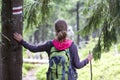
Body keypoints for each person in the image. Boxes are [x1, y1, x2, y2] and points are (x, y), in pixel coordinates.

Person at [13, 19, 92, 80]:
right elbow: (77, 65)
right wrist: (87, 59)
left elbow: (33, 49)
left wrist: (21, 41)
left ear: (55, 30)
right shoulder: (72, 45)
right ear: (66, 29)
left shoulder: (50, 44)